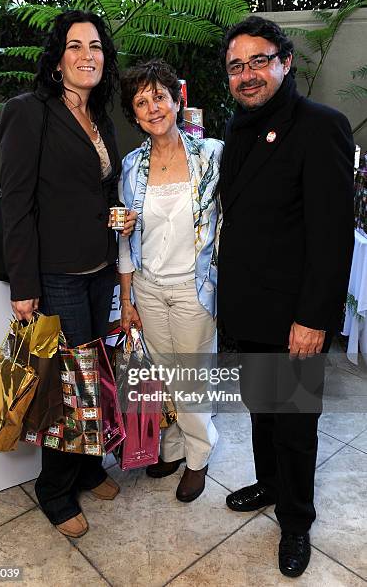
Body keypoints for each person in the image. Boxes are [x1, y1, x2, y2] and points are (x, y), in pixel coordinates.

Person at [218, 16, 354, 577]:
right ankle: (270, 485)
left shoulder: (320, 126)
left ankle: (297, 520)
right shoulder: (237, 129)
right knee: (261, 412)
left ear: (285, 62)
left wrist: (313, 318)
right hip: (248, 307)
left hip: (294, 315)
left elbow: (332, 235)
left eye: (258, 61)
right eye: (235, 66)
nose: (246, 75)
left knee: (295, 424)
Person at [0, 10, 136, 538]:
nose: (88, 55)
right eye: (75, 46)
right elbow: (15, 201)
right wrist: (24, 285)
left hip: (101, 268)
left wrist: (115, 214)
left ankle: (86, 468)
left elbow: (95, 190)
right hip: (56, 274)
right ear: (58, 59)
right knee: (71, 386)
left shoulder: (99, 116)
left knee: (96, 376)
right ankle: (54, 490)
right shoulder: (30, 111)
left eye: (96, 46)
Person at [118, 59, 223, 502]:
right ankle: (176, 447)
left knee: (192, 378)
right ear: (135, 115)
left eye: (159, 96)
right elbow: (124, 236)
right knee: (165, 376)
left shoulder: (211, 154)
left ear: (177, 100)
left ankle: (199, 457)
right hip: (148, 287)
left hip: (193, 288)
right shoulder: (131, 165)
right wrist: (127, 298)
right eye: (142, 102)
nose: (153, 107)